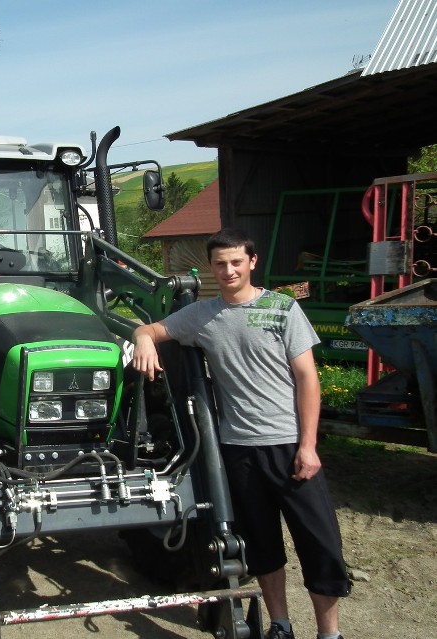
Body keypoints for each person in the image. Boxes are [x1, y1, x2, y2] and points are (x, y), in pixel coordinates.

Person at [132, 228, 350, 639]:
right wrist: (143, 342)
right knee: (263, 548)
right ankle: (280, 625)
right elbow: (150, 330)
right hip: (239, 451)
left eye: (236, 262)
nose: (229, 270)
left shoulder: (282, 309)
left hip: (289, 447)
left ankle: (329, 633)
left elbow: (307, 379)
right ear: (212, 268)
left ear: (251, 262)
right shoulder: (201, 315)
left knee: (321, 545)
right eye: (220, 263)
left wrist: (308, 445)